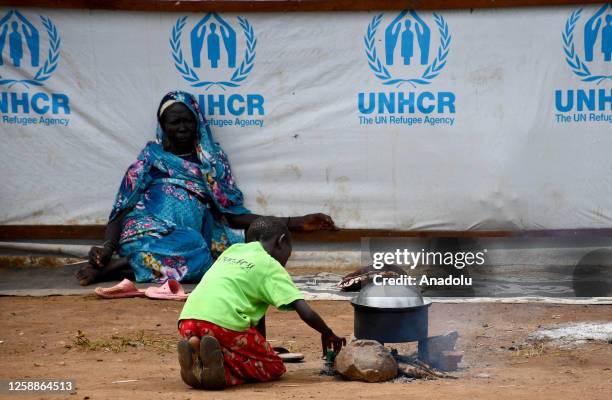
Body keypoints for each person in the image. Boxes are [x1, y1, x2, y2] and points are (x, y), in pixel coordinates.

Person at [76, 91, 335, 286]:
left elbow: (232, 214)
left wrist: (293, 222)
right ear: (163, 126)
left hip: (193, 238)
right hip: (148, 232)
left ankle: (119, 268)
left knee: (216, 256)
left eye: (187, 121)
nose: (181, 127)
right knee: (194, 250)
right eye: (174, 122)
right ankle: (115, 263)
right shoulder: (149, 159)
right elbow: (123, 208)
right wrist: (106, 248)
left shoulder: (212, 161)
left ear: (197, 121)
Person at [177, 216, 346, 389]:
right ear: (281, 242)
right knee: (273, 366)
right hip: (224, 325)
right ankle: (222, 376)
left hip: (188, 321)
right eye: (288, 254)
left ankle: (196, 352)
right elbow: (305, 312)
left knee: (222, 342)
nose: (285, 261)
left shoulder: (233, 250)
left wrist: (262, 347)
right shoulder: (270, 266)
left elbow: (257, 312)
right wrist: (328, 332)